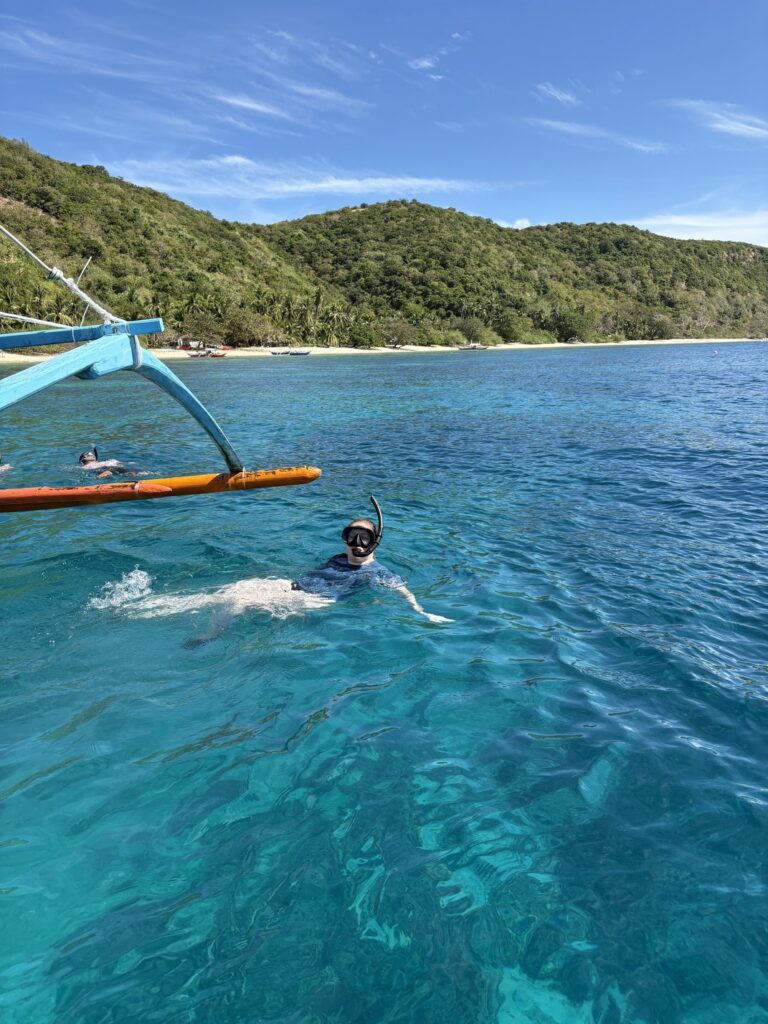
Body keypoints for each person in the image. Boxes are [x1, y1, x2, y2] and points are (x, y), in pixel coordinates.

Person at [293, 496, 452, 623]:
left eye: (364, 538)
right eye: (352, 536)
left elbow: (404, 592)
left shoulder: (379, 572)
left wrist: (423, 613)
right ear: (344, 540)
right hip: (296, 587)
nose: (357, 543)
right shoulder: (337, 559)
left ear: (375, 542)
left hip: (319, 599)